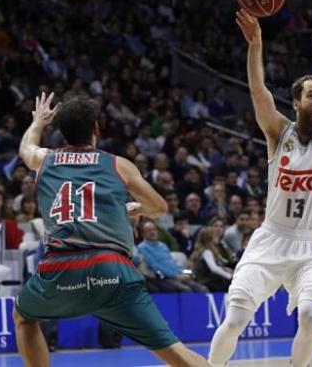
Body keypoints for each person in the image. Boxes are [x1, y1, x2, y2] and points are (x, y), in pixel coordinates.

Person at [13, 93, 208, 367]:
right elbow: (159, 208)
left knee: (24, 315)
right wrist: (134, 209)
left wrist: (37, 122)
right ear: (96, 128)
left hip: (60, 270)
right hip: (112, 271)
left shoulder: (45, 160)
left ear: (61, 133)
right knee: (178, 355)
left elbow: (26, 148)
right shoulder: (118, 165)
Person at [207, 12, 312, 367]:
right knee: (236, 318)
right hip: (271, 241)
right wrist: (255, 45)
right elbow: (258, 91)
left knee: (310, 316)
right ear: (297, 103)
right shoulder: (278, 132)